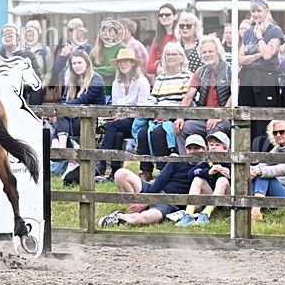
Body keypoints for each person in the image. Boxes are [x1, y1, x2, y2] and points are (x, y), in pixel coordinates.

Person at [98, 134, 207, 227]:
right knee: (120, 173)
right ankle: (134, 208)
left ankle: (120, 216)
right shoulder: (178, 161)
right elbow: (160, 180)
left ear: (204, 149)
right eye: (190, 148)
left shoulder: (207, 170)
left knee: (142, 219)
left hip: (168, 204)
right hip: (154, 189)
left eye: (196, 148)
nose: (192, 152)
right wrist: (147, 200)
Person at [132, 42, 192, 181]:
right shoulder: (160, 78)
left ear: (182, 58)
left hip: (175, 115)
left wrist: (168, 115)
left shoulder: (187, 77)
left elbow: (186, 100)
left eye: (174, 54)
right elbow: (153, 98)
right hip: (157, 115)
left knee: (158, 134)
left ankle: (163, 171)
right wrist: (156, 113)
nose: (171, 57)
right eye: (168, 55)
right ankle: (146, 171)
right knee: (142, 133)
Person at [237, 0, 284, 152]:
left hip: (266, 78)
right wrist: (256, 56)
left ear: (267, 11)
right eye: (253, 11)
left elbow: (268, 55)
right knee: (245, 116)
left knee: (265, 118)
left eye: (259, 10)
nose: (256, 14)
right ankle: (246, 152)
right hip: (248, 78)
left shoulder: (275, 30)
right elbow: (240, 59)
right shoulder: (248, 32)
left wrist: (259, 37)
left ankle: (264, 154)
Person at [95, 48, 150, 180]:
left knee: (113, 127)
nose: (123, 64)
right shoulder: (116, 83)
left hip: (137, 120)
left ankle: (101, 162)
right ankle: (115, 170)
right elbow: (115, 105)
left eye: (126, 61)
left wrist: (123, 115)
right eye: (120, 62)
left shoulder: (142, 81)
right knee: (117, 134)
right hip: (119, 121)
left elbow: (142, 107)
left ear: (133, 64)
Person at [173, 36, 232, 155]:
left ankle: (211, 167)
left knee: (213, 129)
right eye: (204, 52)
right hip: (204, 117)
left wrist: (221, 114)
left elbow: (235, 95)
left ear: (218, 52)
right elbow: (188, 96)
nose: (207, 54)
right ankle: (185, 165)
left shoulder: (229, 70)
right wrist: (180, 117)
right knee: (181, 128)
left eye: (210, 51)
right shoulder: (200, 71)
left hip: (225, 118)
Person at [57, 49, 106, 182]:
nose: (77, 66)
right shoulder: (73, 79)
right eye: (74, 63)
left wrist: (67, 107)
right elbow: (63, 99)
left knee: (62, 116)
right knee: (62, 116)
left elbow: (84, 99)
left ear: (87, 63)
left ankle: (64, 151)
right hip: (76, 119)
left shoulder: (97, 79)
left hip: (94, 121)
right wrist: (67, 108)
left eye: (79, 62)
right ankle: (71, 161)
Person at [175, 131, 232, 226]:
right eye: (211, 144)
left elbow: (242, 181)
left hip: (228, 199)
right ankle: (188, 214)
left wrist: (230, 175)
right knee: (198, 179)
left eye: (217, 145)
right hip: (211, 197)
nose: (213, 147)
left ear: (226, 149)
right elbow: (191, 173)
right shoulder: (208, 161)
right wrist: (208, 172)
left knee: (222, 180)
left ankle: (206, 214)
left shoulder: (232, 161)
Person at [0, 23, 39, 100]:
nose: (7, 39)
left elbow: (36, 78)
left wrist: (15, 88)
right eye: (4, 36)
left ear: (18, 37)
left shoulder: (28, 55)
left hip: (20, 99)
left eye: (10, 36)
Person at [48, 18, 90, 99]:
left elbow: (87, 68)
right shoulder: (64, 46)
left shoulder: (87, 48)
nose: (71, 33)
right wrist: (62, 56)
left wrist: (69, 55)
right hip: (64, 86)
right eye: (69, 30)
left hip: (80, 86)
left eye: (73, 29)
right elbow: (56, 68)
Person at [90, 18, 126, 96]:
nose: (105, 32)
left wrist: (96, 70)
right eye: (103, 29)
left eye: (109, 29)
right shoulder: (95, 50)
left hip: (115, 90)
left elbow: (116, 68)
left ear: (115, 32)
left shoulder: (122, 48)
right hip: (97, 90)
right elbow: (88, 69)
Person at [23, 20, 53, 105]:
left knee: (35, 114)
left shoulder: (45, 50)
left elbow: (49, 70)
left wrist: (44, 84)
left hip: (38, 87)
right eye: (28, 31)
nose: (31, 33)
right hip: (23, 87)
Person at [146, 4, 179, 79]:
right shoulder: (157, 39)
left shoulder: (179, 37)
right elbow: (148, 67)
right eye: (161, 15)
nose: (164, 17)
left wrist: (159, 66)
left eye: (167, 14)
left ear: (175, 16)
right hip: (162, 81)